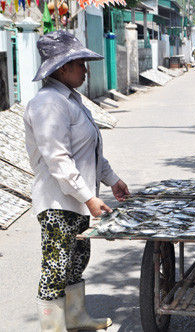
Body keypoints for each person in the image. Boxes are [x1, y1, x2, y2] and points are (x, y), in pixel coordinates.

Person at [25, 30, 130, 332]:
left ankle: (75, 318)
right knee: (55, 270)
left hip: (78, 202)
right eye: (80, 63)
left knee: (76, 262)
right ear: (62, 68)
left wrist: (112, 180)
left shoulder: (71, 99)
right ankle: (54, 328)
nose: (85, 69)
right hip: (59, 203)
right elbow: (58, 159)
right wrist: (88, 197)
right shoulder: (48, 103)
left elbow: (89, 150)